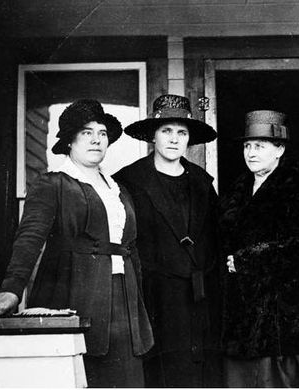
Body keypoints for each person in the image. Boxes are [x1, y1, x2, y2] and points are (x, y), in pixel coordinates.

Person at [0, 99, 154, 387]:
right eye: (86, 132)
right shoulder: (54, 184)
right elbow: (30, 237)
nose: (96, 140)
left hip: (123, 300)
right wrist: (12, 288)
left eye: (102, 133)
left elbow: (131, 248)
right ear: (69, 141)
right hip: (74, 292)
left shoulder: (118, 189)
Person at [113, 94, 223, 387]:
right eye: (166, 131)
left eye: (182, 132)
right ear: (153, 136)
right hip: (155, 299)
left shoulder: (202, 181)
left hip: (201, 299)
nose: (174, 139)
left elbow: (217, 238)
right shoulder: (129, 181)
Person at [219, 110, 299, 388]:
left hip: (281, 320)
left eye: (260, 146)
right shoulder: (238, 189)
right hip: (241, 320)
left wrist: (248, 260)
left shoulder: (296, 188)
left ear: (279, 149)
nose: (251, 153)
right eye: (247, 146)